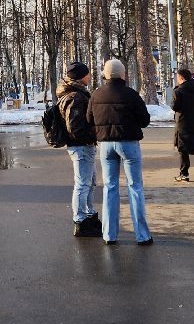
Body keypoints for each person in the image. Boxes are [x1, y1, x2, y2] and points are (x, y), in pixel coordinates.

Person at [86, 58, 153, 245]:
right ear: (122, 74)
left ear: (106, 75)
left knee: (110, 188)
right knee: (135, 187)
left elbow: (89, 119)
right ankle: (142, 235)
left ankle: (109, 234)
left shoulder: (96, 94)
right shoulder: (131, 94)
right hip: (129, 143)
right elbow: (144, 120)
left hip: (106, 146)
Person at [56, 62, 100, 237]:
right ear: (80, 76)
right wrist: (91, 136)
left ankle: (88, 215)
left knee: (89, 182)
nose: (90, 76)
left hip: (83, 145)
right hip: (81, 146)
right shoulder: (75, 96)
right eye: (87, 74)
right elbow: (75, 127)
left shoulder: (75, 93)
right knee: (82, 184)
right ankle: (80, 221)